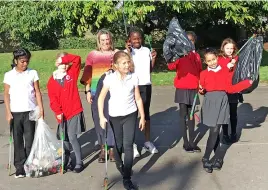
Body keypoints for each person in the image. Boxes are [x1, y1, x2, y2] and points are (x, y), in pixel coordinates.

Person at [199, 48, 252, 173]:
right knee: (214, 131)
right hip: (210, 103)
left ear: (217, 58)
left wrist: (246, 83)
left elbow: (230, 88)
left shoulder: (225, 72)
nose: (212, 62)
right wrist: (201, 90)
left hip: (223, 102)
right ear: (205, 62)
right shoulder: (203, 74)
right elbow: (202, 88)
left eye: (213, 59)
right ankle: (206, 157)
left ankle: (217, 158)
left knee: (217, 130)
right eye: (209, 61)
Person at [98, 51, 145, 190]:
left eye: (128, 62)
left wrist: (142, 116)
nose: (127, 65)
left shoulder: (134, 77)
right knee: (118, 145)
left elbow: (138, 98)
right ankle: (120, 164)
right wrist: (101, 116)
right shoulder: (109, 78)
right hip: (115, 116)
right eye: (123, 63)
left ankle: (126, 178)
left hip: (130, 114)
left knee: (128, 145)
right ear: (116, 65)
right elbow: (101, 98)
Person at [3, 48, 44, 178]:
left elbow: (37, 91)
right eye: (22, 61)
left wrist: (41, 109)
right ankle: (19, 167)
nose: (25, 64)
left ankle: (29, 164)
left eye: (26, 61)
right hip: (15, 112)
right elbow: (6, 95)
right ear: (16, 61)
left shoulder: (32, 73)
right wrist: (8, 112)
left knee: (30, 139)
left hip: (30, 111)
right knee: (18, 140)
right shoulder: (9, 75)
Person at [80, 29, 117, 163]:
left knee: (111, 120)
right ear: (98, 41)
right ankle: (103, 147)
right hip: (96, 92)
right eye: (102, 40)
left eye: (107, 39)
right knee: (98, 120)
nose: (105, 42)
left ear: (110, 40)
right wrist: (88, 91)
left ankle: (112, 148)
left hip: (112, 93)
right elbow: (87, 74)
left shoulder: (116, 54)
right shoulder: (93, 55)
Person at [47, 52, 85, 173]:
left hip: (74, 110)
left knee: (72, 136)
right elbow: (52, 99)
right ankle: (68, 160)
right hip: (62, 114)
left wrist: (65, 58)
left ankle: (79, 162)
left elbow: (77, 59)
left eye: (65, 63)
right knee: (65, 139)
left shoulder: (72, 73)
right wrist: (57, 111)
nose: (63, 65)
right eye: (60, 63)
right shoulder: (52, 81)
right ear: (56, 63)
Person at [167, 31, 202, 152]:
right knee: (183, 116)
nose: (189, 43)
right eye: (187, 40)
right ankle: (185, 142)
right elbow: (171, 66)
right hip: (182, 88)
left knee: (191, 116)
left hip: (193, 88)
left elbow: (199, 71)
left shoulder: (196, 55)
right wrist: (172, 55)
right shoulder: (179, 55)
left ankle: (192, 142)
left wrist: (200, 84)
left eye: (191, 41)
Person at [125, 27, 158, 157]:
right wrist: (127, 52)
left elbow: (150, 69)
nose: (137, 40)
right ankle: (132, 144)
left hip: (146, 85)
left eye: (139, 38)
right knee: (132, 114)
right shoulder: (127, 51)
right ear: (129, 40)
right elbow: (126, 67)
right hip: (132, 86)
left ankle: (147, 141)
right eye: (134, 38)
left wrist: (153, 58)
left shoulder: (146, 51)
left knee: (146, 114)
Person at [218, 38, 242, 144]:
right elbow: (216, 73)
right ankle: (225, 134)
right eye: (227, 48)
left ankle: (233, 133)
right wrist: (226, 66)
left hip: (234, 90)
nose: (230, 50)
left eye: (231, 48)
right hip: (223, 90)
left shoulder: (236, 58)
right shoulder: (219, 59)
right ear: (223, 48)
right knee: (224, 114)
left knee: (233, 113)